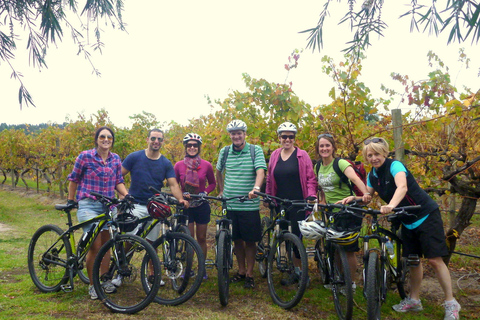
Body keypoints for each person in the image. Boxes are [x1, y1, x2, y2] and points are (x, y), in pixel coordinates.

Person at [361, 137, 460, 320]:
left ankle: (451, 303)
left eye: (376, 154)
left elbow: (402, 187)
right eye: (370, 155)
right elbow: (368, 193)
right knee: (414, 260)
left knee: (435, 260)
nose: (373, 158)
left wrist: (390, 205)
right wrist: (358, 198)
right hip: (407, 220)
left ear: (385, 153)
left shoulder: (395, 166)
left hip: (425, 215)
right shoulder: (372, 175)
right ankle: (414, 300)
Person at [67, 126, 129, 300]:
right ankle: (93, 285)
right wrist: (71, 200)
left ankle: (104, 279)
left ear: (112, 140)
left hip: (108, 207)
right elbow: (74, 179)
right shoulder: (85, 156)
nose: (106, 139)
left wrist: (126, 195)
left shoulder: (115, 159)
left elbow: (118, 181)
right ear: (96, 139)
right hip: (89, 205)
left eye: (109, 137)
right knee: (95, 245)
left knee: (106, 244)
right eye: (102, 136)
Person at [315, 133, 371, 291]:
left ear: (333, 147)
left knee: (348, 249)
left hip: (349, 210)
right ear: (318, 149)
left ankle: (351, 283)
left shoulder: (340, 163)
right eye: (321, 146)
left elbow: (354, 179)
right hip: (332, 211)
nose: (324, 148)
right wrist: (323, 201)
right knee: (335, 246)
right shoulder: (318, 166)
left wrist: (365, 194)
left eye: (327, 145)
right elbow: (323, 187)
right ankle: (340, 278)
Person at [215, 120, 267, 289]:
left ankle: (250, 274)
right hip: (230, 204)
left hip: (249, 204)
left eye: (239, 133)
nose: (236, 136)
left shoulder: (255, 150)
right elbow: (218, 171)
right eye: (233, 133)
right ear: (230, 135)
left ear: (245, 134)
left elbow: (260, 171)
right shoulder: (225, 151)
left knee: (250, 241)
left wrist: (256, 188)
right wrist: (221, 190)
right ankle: (242, 271)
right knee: (236, 239)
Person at [265, 122, 317, 282]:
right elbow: (269, 179)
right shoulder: (275, 155)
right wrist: (268, 196)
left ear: (294, 138)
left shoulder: (302, 155)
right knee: (284, 236)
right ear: (279, 138)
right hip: (280, 201)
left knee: (297, 238)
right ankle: (292, 271)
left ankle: (301, 272)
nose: (287, 139)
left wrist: (311, 196)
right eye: (284, 136)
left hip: (298, 203)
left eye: (291, 136)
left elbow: (310, 179)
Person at [122, 129, 189, 243]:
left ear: (163, 141)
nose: (156, 141)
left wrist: (180, 199)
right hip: (135, 205)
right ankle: (124, 260)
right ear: (147, 140)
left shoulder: (165, 163)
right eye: (153, 138)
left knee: (152, 245)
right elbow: (118, 176)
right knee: (130, 242)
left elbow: (173, 185)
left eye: (159, 139)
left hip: (155, 207)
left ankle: (150, 261)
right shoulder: (134, 157)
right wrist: (122, 194)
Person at [174, 133, 216, 277]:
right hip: (186, 206)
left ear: (199, 147)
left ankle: (202, 267)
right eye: (189, 145)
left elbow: (213, 183)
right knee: (189, 238)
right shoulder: (179, 165)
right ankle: (189, 268)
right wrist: (181, 194)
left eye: (195, 145)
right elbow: (174, 185)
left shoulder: (206, 165)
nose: (192, 147)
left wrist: (205, 191)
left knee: (202, 238)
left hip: (201, 204)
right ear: (186, 147)